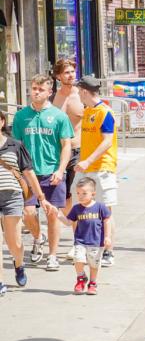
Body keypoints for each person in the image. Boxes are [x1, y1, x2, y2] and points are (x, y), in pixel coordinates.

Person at [13, 74, 73, 271]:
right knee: (28, 213)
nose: (36, 92)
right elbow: (15, 146)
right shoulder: (21, 117)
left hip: (52, 173)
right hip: (28, 174)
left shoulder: (59, 116)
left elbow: (66, 146)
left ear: (49, 92)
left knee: (53, 214)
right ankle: (38, 238)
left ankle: (53, 255)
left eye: (40, 89)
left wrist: (61, 169)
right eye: (33, 88)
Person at [74, 76, 119, 267]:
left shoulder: (105, 112)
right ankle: (86, 246)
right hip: (86, 169)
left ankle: (108, 251)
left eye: (79, 92)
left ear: (84, 91)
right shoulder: (87, 111)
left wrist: (88, 160)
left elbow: (107, 140)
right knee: (82, 209)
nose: (78, 96)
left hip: (102, 169)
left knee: (105, 211)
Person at [0, 106, 37, 293]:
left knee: (13, 241)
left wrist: (41, 197)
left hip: (12, 196)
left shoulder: (14, 145)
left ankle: (19, 264)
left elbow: (28, 171)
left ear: (2, 122)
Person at [64, 177, 111, 296]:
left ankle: (93, 283)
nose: (81, 196)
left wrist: (107, 237)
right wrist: (57, 214)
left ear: (93, 194)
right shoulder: (76, 208)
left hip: (96, 241)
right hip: (80, 241)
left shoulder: (100, 207)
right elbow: (68, 222)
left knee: (94, 264)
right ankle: (81, 278)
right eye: (78, 193)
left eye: (84, 193)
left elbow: (107, 221)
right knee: (78, 259)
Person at [50, 58, 83, 216]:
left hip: (80, 149)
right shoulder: (53, 98)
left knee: (83, 190)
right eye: (66, 72)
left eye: (72, 71)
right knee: (65, 192)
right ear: (58, 76)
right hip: (60, 150)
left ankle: (83, 226)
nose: (70, 75)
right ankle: (75, 226)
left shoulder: (82, 94)